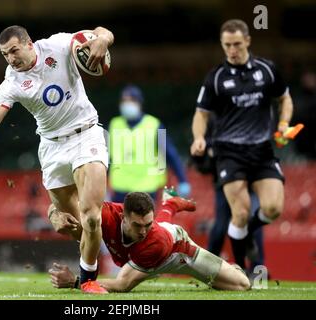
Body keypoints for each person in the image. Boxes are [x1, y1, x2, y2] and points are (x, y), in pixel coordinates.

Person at [0, 25, 114, 293]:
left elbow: (103, 32)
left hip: (86, 134)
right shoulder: (12, 82)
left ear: (29, 44)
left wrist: (101, 40)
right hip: (52, 148)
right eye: (4, 54)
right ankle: (106, 247)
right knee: (74, 226)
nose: (10, 58)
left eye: (14, 50)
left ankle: (88, 281)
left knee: (91, 218)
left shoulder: (59, 45)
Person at [190, 19, 294, 271]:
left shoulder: (267, 70)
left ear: (247, 41)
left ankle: (248, 233)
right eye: (227, 45)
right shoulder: (215, 77)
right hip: (229, 152)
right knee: (240, 212)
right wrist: (199, 138)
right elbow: (201, 114)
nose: (232, 50)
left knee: (273, 208)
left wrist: (283, 123)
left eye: (237, 44)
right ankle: (241, 270)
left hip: (261, 151)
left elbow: (285, 99)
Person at [48, 191, 250, 292]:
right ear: (123, 217)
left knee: (242, 285)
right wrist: (54, 215)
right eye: (137, 225)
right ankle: (170, 204)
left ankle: (169, 206)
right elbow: (59, 201)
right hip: (158, 236)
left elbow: (123, 284)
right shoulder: (104, 215)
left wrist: (76, 282)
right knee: (160, 227)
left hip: (177, 251)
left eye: (147, 224)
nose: (143, 231)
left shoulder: (153, 241)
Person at [190, 114, 265, 274]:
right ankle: (209, 267)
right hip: (224, 181)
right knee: (221, 226)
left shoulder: (253, 115)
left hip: (250, 181)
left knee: (253, 222)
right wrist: (208, 148)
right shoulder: (213, 117)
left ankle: (258, 269)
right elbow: (200, 146)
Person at [108, 85, 191, 202]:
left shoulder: (156, 124)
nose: (127, 104)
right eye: (124, 101)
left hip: (147, 187)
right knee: (119, 220)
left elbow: (170, 153)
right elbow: (106, 156)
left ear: (139, 103)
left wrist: (183, 180)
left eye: (131, 100)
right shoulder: (114, 124)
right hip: (120, 187)